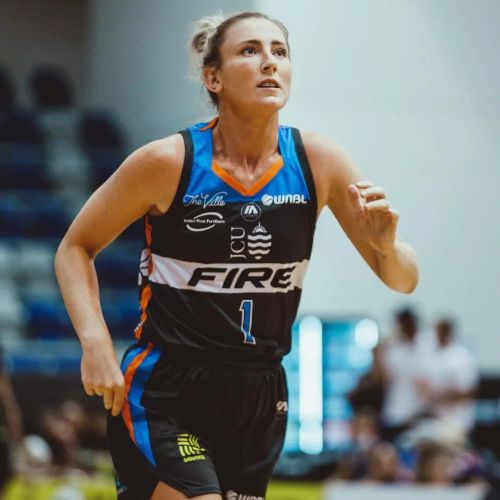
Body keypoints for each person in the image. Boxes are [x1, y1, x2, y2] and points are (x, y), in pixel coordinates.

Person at [54, 10, 419, 500]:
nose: (270, 62)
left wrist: (386, 245)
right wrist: (95, 342)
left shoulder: (319, 161)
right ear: (214, 78)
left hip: (260, 394)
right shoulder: (168, 161)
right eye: (250, 50)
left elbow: (403, 279)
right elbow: (75, 247)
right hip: (167, 388)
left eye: (280, 51)